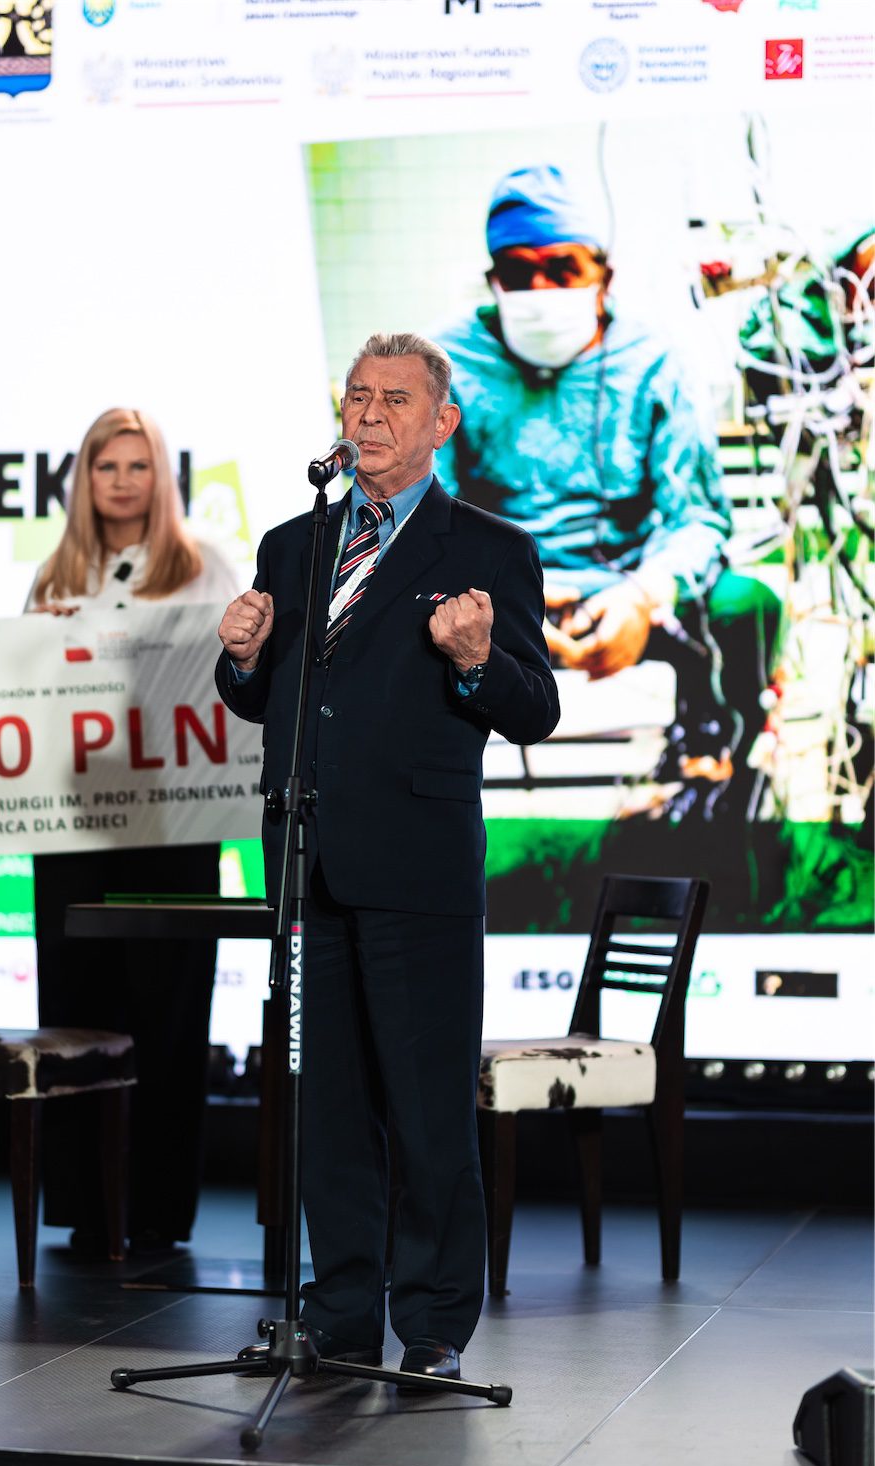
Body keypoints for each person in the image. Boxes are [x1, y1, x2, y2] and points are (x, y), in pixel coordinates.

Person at [215, 333, 558, 1383]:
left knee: (425, 1108)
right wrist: (240, 659)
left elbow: (534, 709)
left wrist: (477, 661)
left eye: (394, 399)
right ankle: (338, 1316)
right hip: (305, 860)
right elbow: (269, 698)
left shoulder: (488, 548)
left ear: (442, 422)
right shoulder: (293, 544)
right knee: (326, 1110)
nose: (367, 416)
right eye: (357, 397)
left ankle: (435, 1325)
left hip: (417, 865)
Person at [435, 165, 782, 821]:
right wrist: (504, 606)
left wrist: (643, 598)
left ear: (604, 276)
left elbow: (697, 517)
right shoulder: (443, 370)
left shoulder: (652, 363)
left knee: (745, 605)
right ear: (492, 278)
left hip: (629, 594)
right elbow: (419, 522)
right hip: (492, 603)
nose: (539, 291)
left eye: (562, 269)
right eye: (518, 272)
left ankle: (721, 791)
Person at [26, 407, 239, 1254]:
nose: (121, 481)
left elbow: (239, 679)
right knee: (76, 1012)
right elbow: (23, 699)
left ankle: (156, 1209)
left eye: (137, 465)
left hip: (177, 824)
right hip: (74, 829)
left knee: (169, 1015)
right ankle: (84, 1204)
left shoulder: (205, 565)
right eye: (106, 466)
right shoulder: (53, 574)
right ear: (84, 479)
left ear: (162, 478)